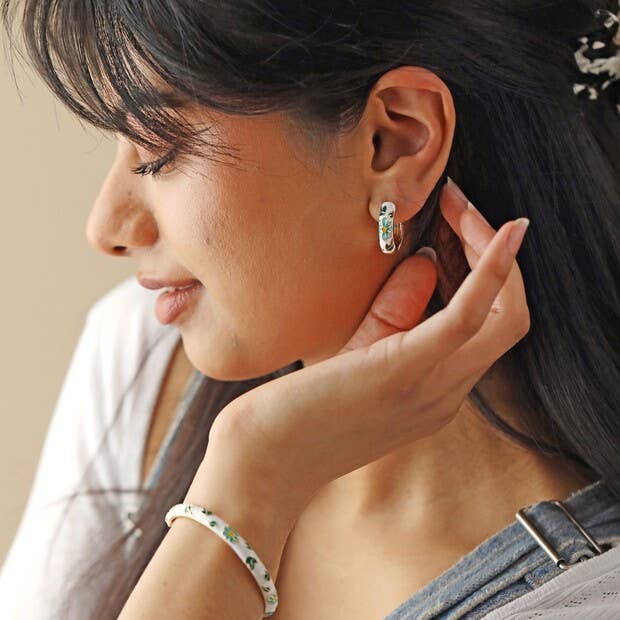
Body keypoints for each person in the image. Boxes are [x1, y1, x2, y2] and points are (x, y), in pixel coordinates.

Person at [1, 1, 619, 618]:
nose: (105, 226)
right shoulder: (147, 357)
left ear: (396, 142)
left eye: (158, 151)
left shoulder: (584, 597)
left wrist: (253, 482)